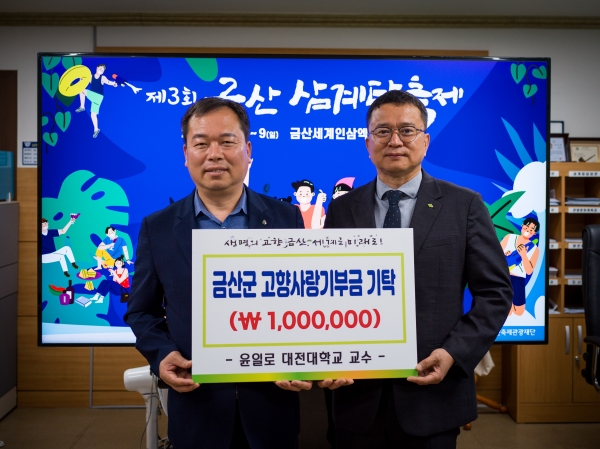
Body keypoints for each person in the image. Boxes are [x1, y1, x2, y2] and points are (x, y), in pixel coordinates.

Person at [319, 90, 513, 449]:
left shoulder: (464, 205)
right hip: (355, 395)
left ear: (425, 141)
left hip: (432, 393)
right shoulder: (342, 209)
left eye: (407, 130)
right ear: (367, 143)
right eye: (382, 131)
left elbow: (496, 294)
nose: (395, 141)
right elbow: (325, 293)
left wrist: (454, 353)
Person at [125, 97, 310, 449]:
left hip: (273, 406)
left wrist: (305, 363)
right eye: (201, 143)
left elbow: (306, 304)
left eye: (227, 141)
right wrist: (162, 354)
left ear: (248, 150)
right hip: (198, 406)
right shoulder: (158, 228)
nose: (214, 154)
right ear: (186, 153)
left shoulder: (286, 218)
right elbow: (141, 311)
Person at [500, 217, 540, 316]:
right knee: (506, 310)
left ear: (534, 233)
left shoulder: (535, 249)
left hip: (519, 279)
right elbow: (496, 254)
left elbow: (529, 271)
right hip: (504, 276)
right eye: (527, 227)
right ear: (522, 226)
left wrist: (524, 255)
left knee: (519, 312)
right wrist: (505, 254)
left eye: (532, 229)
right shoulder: (509, 237)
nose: (528, 230)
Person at [76, 63, 118, 138]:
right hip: (95, 98)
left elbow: (108, 82)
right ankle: (96, 129)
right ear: (97, 68)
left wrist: (114, 84)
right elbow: (83, 81)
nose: (101, 70)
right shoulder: (90, 77)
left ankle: (82, 106)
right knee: (93, 114)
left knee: (81, 89)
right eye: (100, 68)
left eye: (103, 70)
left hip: (98, 97)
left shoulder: (102, 78)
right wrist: (81, 79)